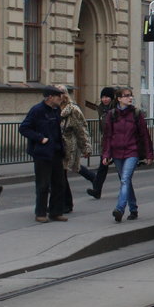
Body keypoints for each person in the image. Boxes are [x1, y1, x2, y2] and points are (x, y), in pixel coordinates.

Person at [101, 87, 153, 222]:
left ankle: (119, 208)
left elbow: (144, 135)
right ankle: (134, 209)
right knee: (126, 181)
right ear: (119, 99)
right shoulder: (112, 115)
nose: (130, 98)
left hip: (132, 151)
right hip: (117, 152)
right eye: (126, 96)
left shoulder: (136, 114)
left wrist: (149, 154)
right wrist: (106, 154)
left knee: (124, 179)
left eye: (131, 95)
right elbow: (107, 136)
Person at [19, 86, 68, 223]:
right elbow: (24, 128)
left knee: (59, 184)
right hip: (42, 153)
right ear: (50, 97)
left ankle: (56, 212)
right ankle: (40, 212)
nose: (61, 98)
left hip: (56, 151)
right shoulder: (37, 110)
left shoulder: (56, 110)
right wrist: (40, 138)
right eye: (58, 96)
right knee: (43, 184)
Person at [57, 85, 94, 214]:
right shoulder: (52, 108)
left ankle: (66, 203)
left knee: (62, 175)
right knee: (58, 176)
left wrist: (86, 148)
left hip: (68, 146)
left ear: (65, 95)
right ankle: (63, 202)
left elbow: (81, 129)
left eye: (60, 93)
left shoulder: (73, 109)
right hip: (55, 146)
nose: (57, 96)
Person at [86, 87, 116, 199]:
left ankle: (127, 190)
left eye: (107, 97)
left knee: (121, 169)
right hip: (106, 142)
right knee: (102, 166)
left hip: (117, 142)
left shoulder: (116, 109)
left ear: (112, 98)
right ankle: (97, 190)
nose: (105, 99)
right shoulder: (101, 109)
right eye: (103, 97)